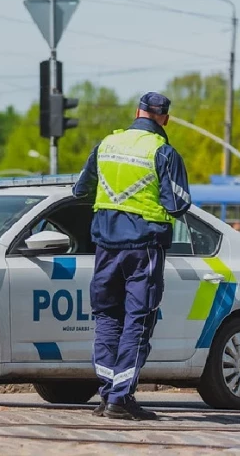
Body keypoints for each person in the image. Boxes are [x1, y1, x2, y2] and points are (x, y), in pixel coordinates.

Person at [73, 92, 191, 420]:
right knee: (138, 320)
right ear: (164, 118)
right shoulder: (163, 152)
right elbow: (178, 203)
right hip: (144, 249)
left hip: (105, 247)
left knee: (108, 318)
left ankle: (107, 394)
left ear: (137, 111)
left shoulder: (106, 145)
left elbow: (80, 189)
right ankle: (121, 398)